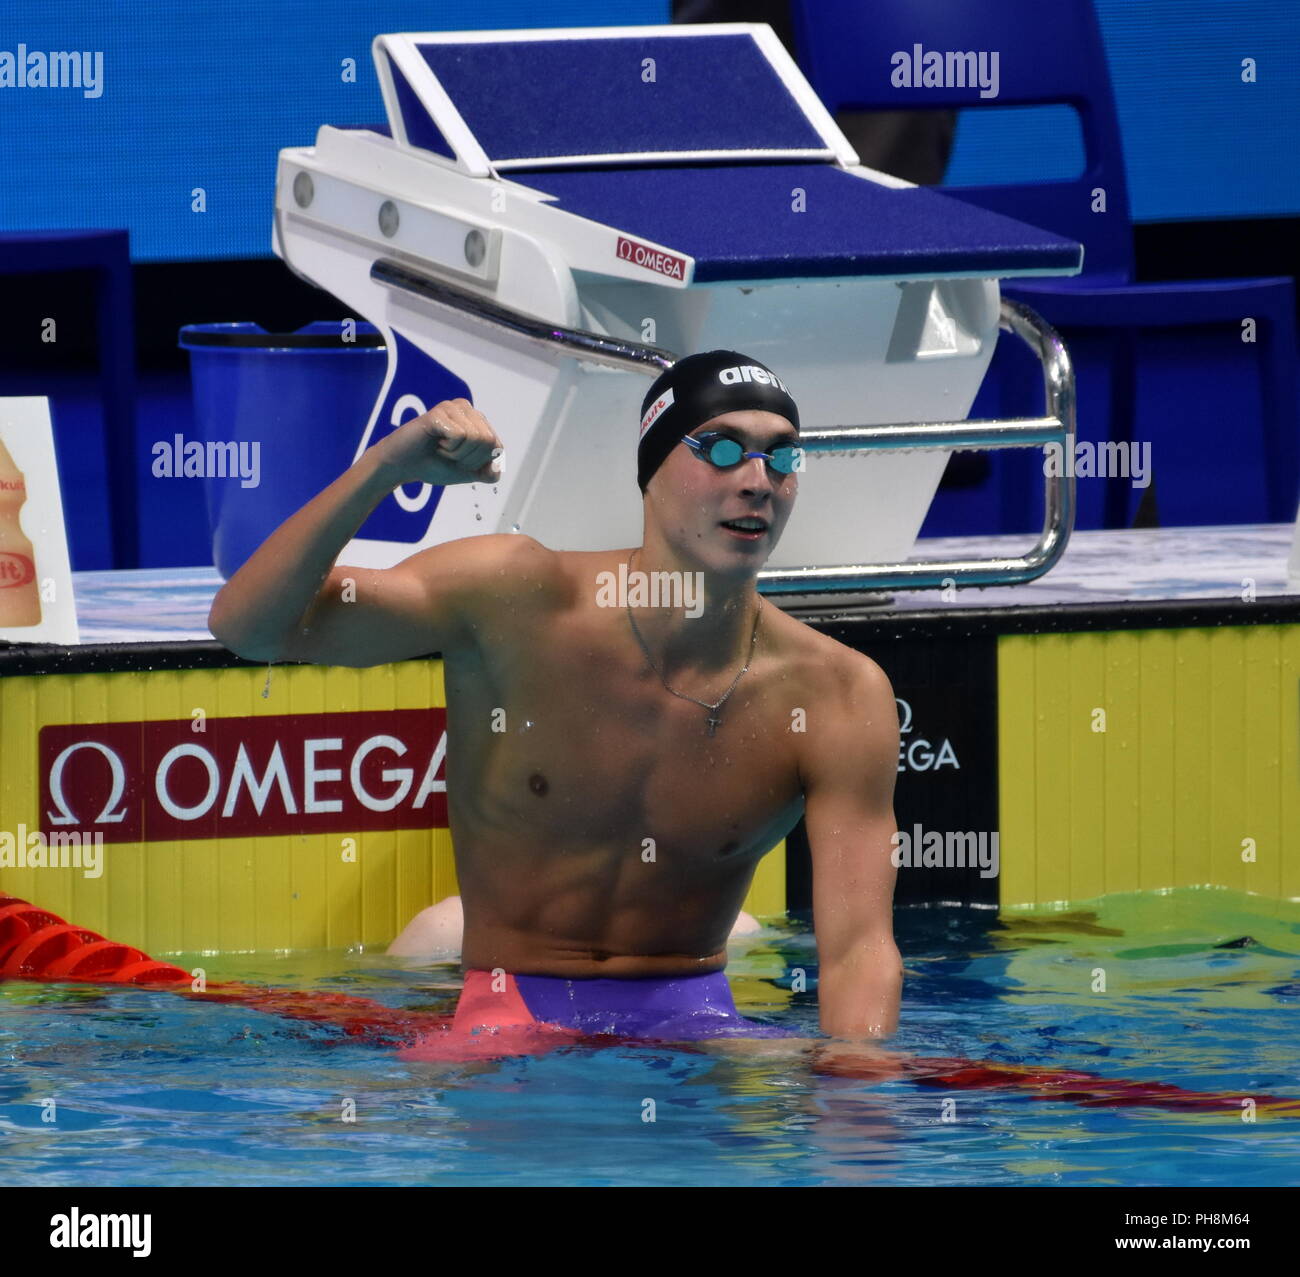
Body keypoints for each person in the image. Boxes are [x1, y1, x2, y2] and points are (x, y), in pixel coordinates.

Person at [208, 350, 902, 1059]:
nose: (759, 481)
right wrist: (384, 470)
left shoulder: (838, 694)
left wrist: (858, 1094)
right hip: (507, 1020)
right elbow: (249, 627)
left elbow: (858, 950)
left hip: (700, 1030)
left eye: (783, 458)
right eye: (722, 449)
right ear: (652, 471)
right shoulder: (516, 598)